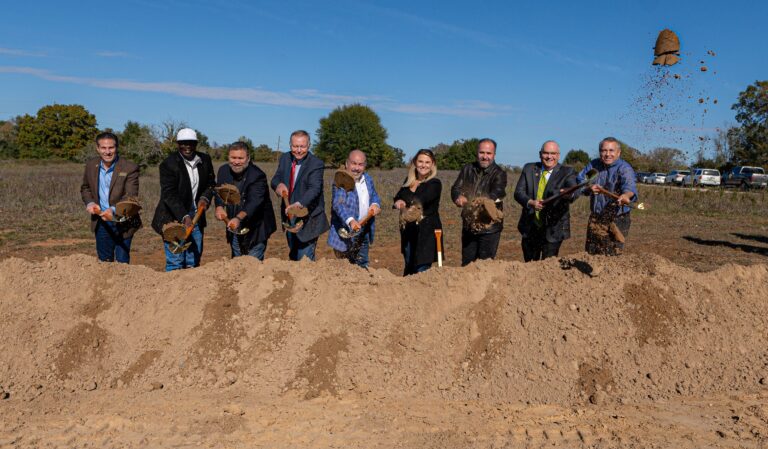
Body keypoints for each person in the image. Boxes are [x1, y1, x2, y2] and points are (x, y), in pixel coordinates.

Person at [151, 128, 216, 271]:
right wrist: (184, 216)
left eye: (191, 143)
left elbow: (211, 184)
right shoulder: (169, 164)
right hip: (173, 216)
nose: (187, 147)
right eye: (183, 143)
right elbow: (169, 194)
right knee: (175, 260)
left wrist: (205, 198)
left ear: (196, 144)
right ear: (178, 144)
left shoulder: (204, 160)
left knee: (193, 259)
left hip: (197, 214)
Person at [80, 132, 141, 263]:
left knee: (122, 262)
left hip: (123, 220)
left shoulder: (130, 167)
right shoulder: (91, 165)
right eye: (103, 148)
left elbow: (131, 196)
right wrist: (90, 203)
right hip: (101, 221)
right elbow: (85, 188)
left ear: (116, 147)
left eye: (111, 148)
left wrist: (113, 210)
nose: (107, 152)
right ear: (97, 148)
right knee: (104, 261)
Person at [514, 140, 578, 261]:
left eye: (553, 153)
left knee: (547, 267)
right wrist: (530, 202)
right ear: (540, 154)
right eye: (546, 153)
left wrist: (568, 194)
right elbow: (518, 193)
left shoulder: (567, 172)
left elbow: (573, 190)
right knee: (529, 264)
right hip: (530, 227)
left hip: (553, 229)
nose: (549, 157)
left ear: (558, 155)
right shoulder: (529, 168)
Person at [270, 130, 329, 261]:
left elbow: (314, 189)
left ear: (309, 146)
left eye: (302, 146)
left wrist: (299, 204)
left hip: (308, 217)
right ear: (290, 145)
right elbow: (276, 178)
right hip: (289, 216)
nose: (298, 150)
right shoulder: (285, 158)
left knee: (304, 259)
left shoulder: (316, 164)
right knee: (293, 254)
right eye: (295, 146)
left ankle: (307, 281)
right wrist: (278, 185)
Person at [214, 141, 276, 260]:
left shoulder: (257, 175)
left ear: (248, 158)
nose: (236, 162)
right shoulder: (223, 171)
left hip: (256, 227)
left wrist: (238, 218)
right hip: (234, 224)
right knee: (237, 261)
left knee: (252, 264)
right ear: (228, 157)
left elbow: (254, 202)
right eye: (233, 157)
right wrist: (219, 206)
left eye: (240, 158)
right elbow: (219, 191)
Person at [577, 136, 638, 256]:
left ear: (618, 153)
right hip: (596, 216)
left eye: (611, 151)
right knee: (592, 252)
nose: (607, 154)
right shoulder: (595, 166)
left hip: (617, 218)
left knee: (612, 253)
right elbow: (582, 181)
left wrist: (626, 196)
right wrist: (588, 187)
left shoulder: (624, 169)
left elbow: (630, 188)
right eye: (604, 150)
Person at [451, 138, 507, 266]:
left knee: (485, 266)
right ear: (477, 153)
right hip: (469, 224)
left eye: (489, 153)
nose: (485, 157)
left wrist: (477, 201)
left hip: (489, 228)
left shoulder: (499, 173)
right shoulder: (467, 169)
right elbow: (456, 188)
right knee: (467, 264)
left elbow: (496, 192)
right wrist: (458, 197)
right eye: (482, 153)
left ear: (494, 155)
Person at [327, 149, 382, 268]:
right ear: (347, 164)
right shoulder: (341, 180)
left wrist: (375, 204)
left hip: (364, 230)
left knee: (362, 263)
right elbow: (338, 204)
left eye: (360, 164)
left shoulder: (367, 179)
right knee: (345, 267)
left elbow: (374, 196)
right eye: (354, 163)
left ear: (365, 166)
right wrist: (351, 221)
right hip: (346, 232)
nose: (357, 168)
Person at [394, 149, 443, 275]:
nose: (423, 165)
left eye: (427, 162)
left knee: (421, 270)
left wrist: (404, 201)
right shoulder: (408, 181)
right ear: (415, 162)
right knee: (409, 266)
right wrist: (398, 201)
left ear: (432, 164)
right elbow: (398, 196)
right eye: (420, 161)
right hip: (409, 231)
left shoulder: (434, 183)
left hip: (426, 233)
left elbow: (421, 199)